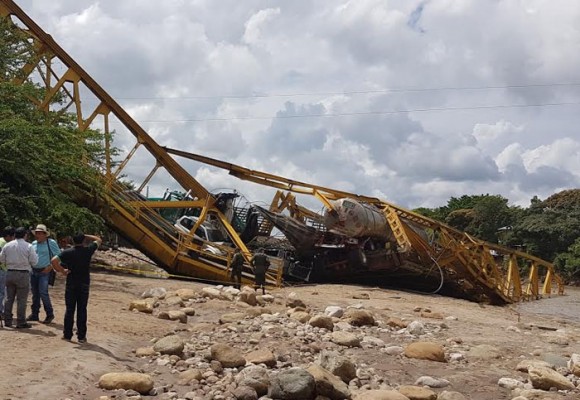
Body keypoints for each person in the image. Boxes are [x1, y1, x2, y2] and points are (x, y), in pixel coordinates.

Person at [51, 232, 101, 343]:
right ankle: (81, 336)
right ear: (83, 241)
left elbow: (54, 261)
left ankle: (67, 335)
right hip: (84, 284)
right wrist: (86, 235)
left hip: (71, 283)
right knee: (82, 310)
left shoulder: (67, 252)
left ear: (72, 241)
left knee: (70, 309)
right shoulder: (88, 250)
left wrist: (62, 271)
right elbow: (98, 240)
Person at [0, 227, 38, 328]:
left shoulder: (7, 245)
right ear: (25, 235)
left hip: (10, 273)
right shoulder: (29, 246)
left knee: (9, 298)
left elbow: (1, 259)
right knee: (22, 299)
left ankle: (7, 320)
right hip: (23, 273)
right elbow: (34, 262)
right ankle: (21, 321)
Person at [29, 224, 61, 324]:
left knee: (43, 292)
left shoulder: (51, 242)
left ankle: (49, 314)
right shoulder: (33, 243)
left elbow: (59, 255)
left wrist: (50, 267)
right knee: (35, 293)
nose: (37, 235)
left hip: (45, 271)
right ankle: (35, 314)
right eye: (36, 233)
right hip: (34, 271)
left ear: (45, 234)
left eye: (39, 233)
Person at [0, 227, 15, 323]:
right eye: (13, 236)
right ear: (9, 236)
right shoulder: (6, 244)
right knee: (2, 292)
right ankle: (1, 312)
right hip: (2, 270)